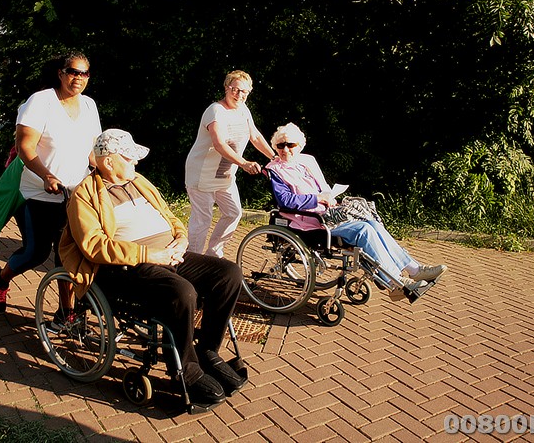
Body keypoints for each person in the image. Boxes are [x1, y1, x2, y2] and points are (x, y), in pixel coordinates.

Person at [59, 129, 247, 408]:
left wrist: (181, 238)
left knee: (229, 274)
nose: (135, 162)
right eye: (129, 157)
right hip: (129, 266)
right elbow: (94, 246)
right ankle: (185, 370)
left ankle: (207, 350)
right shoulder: (85, 195)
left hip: (171, 254)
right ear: (108, 162)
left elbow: (170, 216)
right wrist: (150, 254)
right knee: (183, 292)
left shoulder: (139, 181)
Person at [265, 122, 447, 299]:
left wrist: (330, 198)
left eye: (290, 145)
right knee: (364, 231)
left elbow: (323, 187)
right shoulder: (275, 170)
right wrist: (318, 199)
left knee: (372, 222)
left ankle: (415, 270)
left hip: (328, 213)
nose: (285, 149)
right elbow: (285, 201)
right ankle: (395, 282)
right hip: (309, 221)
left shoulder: (307, 160)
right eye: (280, 145)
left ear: (299, 146)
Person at [0, 51, 101, 314]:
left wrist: (105, 172)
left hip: (75, 194)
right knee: (36, 253)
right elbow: (25, 147)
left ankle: (66, 312)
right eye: (73, 72)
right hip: (37, 192)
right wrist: (46, 175)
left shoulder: (88, 105)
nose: (78, 78)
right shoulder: (41, 102)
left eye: (84, 73)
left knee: (67, 253)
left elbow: (92, 151)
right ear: (61, 73)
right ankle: (0, 279)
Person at [184, 70, 276, 258]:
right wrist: (244, 163)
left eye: (244, 91)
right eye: (235, 89)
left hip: (225, 177)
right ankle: (192, 260)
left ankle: (213, 256)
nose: (239, 95)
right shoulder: (215, 111)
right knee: (202, 220)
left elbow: (255, 136)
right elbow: (219, 144)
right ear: (226, 87)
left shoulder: (243, 110)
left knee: (233, 213)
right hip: (201, 175)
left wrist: (275, 158)